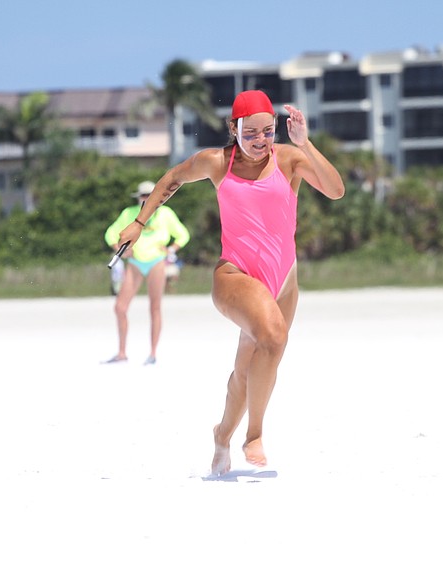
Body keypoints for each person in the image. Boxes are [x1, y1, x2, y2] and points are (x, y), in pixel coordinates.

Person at [113, 90, 345, 475]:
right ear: (234, 128)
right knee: (272, 336)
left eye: (268, 132)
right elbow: (172, 179)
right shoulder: (217, 163)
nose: (260, 140)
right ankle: (254, 434)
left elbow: (335, 190)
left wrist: (306, 143)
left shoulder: (288, 159)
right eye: (250, 132)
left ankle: (221, 435)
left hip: (284, 280)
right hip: (235, 274)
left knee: (248, 366)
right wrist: (139, 223)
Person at [104, 181, 190, 365]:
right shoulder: (129, 213)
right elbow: (110, 233)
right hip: (135, 263)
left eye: (149, 196)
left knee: (155, 307)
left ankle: (152, 353)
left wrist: (171, 250)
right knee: (120, 307)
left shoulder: (166, 214)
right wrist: (120, 248)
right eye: (143, 196)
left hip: (156, 262)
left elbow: (183, 234)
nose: (145, 199)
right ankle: (121, 353)